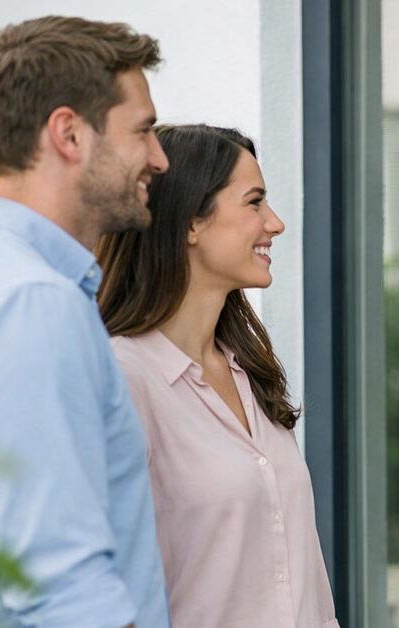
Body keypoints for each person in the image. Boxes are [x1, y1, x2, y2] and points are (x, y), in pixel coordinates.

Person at [0, 16, 170, 628]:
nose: (160, 159)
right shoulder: (31, 303)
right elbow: (66, 592)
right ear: (69, 134)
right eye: (143, 130)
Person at [97, 124, 339, 628]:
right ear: (190, 222)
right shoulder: (125, 379)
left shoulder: (249, 371)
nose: (275, 223)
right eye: (254, 202)